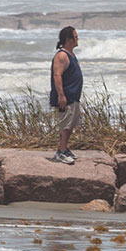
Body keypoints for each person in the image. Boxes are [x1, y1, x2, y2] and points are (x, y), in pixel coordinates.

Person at [49, 26, 83, 165]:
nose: (77, 39)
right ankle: (61, 152)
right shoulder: (61, 55)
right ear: (69, 40)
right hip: (66, 98)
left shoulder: (71, 54)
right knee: (65, 125)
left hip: (74, 97)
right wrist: (61, 95)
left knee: (70, 125)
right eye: (75, 36)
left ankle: (65, 149)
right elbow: (57, 75)